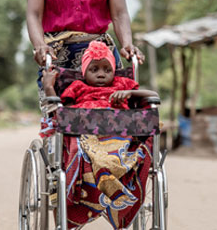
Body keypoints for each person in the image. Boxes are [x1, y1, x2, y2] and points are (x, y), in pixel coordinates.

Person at [41, 41, 157, 229]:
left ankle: (114, 179)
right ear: (84, 72)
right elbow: (62, 112)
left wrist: (129, 93)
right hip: (86, 137)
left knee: (137, 144)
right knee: (80, 147)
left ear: (114, 71)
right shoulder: (78, 87)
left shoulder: (123, 84)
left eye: (107, 69)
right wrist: (48, 87)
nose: (101, 74)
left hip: (121, 138)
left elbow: (152, 95)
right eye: (94, 69)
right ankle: (102, 179)